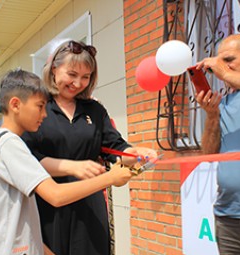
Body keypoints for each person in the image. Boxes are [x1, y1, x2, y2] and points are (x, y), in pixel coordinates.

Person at [22, 40, 158, 255]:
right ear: (54, 69)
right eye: (72, 74)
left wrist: (136, 153)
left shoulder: (94, 110)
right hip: (47, 204)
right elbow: (27, 158)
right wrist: (72, 167)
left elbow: (116, 148)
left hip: (89, 204)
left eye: (86, 77)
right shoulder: (38, 105)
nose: (78, 83)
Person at [0, 69, 134, 255]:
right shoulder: (9, 144)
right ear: (16, 105)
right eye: (40, 106)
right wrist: (110, 177)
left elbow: (23, 224)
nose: (45, 114)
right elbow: (56, 195)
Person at [195, 34, 240, 254]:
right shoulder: (224, 103)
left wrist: (224, 71)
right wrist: (212, 116)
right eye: (220, 61)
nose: (223, 67)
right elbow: (209, 153)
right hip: (228, 216)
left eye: (229, 59)